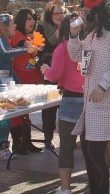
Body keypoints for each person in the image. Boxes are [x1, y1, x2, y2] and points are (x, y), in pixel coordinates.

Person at [68, 0, 110, 194]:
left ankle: (100, 190)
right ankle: (97, 190)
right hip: (93, 104)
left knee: (94, 150)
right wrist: (73, 35)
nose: (83, 15)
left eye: (86, 12)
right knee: (89, 150)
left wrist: (103, 85)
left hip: (107, 102)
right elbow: (74, 56)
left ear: (97, 14)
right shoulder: (90, 36)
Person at [41, 14, 84, 194]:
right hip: (89, 99)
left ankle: (65, 188)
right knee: (92, 147)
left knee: (66, 146)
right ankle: (101, 185)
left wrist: (45, 70)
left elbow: (55, 74)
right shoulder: (88, 46)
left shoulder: (62, 48)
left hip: (71, 100)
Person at [0, 13, 35, 159]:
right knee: (2, 115)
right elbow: (7, 53)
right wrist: (26, 49)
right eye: (12, 23)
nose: (15, 26)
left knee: (6, 115)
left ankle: (2, 145)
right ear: (5, 26)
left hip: (5, 80)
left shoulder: (3, 40)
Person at [10, 9, 45, 155]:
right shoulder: (18, 35)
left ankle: (27, 142)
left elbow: (40, 47)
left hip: (30, 74)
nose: (32, 21)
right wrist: (29, 42)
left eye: (33, 19)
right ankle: (17, 144)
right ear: (22, 20)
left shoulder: (31, 36)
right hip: (20, 76)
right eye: (29, 19)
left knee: (27, 111)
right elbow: (21, 43)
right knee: (18, 112)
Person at [37, 2, 67, 149]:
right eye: (56, 13)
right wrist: (57, 34)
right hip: (48, 70)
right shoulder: (41, 27)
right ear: (50, 14)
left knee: (65, 105)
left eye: (62, 12)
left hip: (65, 71)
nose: (60, 16)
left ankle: (66, 138)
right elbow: (40, 48)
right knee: (49, 107)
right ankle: (48, 138)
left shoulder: (67, 26)